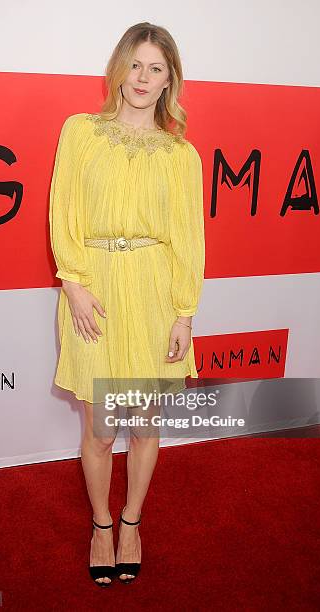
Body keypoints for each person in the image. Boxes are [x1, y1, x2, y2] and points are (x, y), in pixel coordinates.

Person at [49, 22, 205, 586]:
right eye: (135, 65)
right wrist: (73, 283)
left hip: (153, 293)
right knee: (99, 428)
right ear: (120, 68)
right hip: (93, 289)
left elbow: (189, 238)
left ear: (170, 82)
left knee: (143, 423)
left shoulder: (180, 154)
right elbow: (61, 210)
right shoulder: (80, 132)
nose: (143, 78)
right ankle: (100, 524)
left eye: (156, 69)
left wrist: (185, 312)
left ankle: (132, 521)